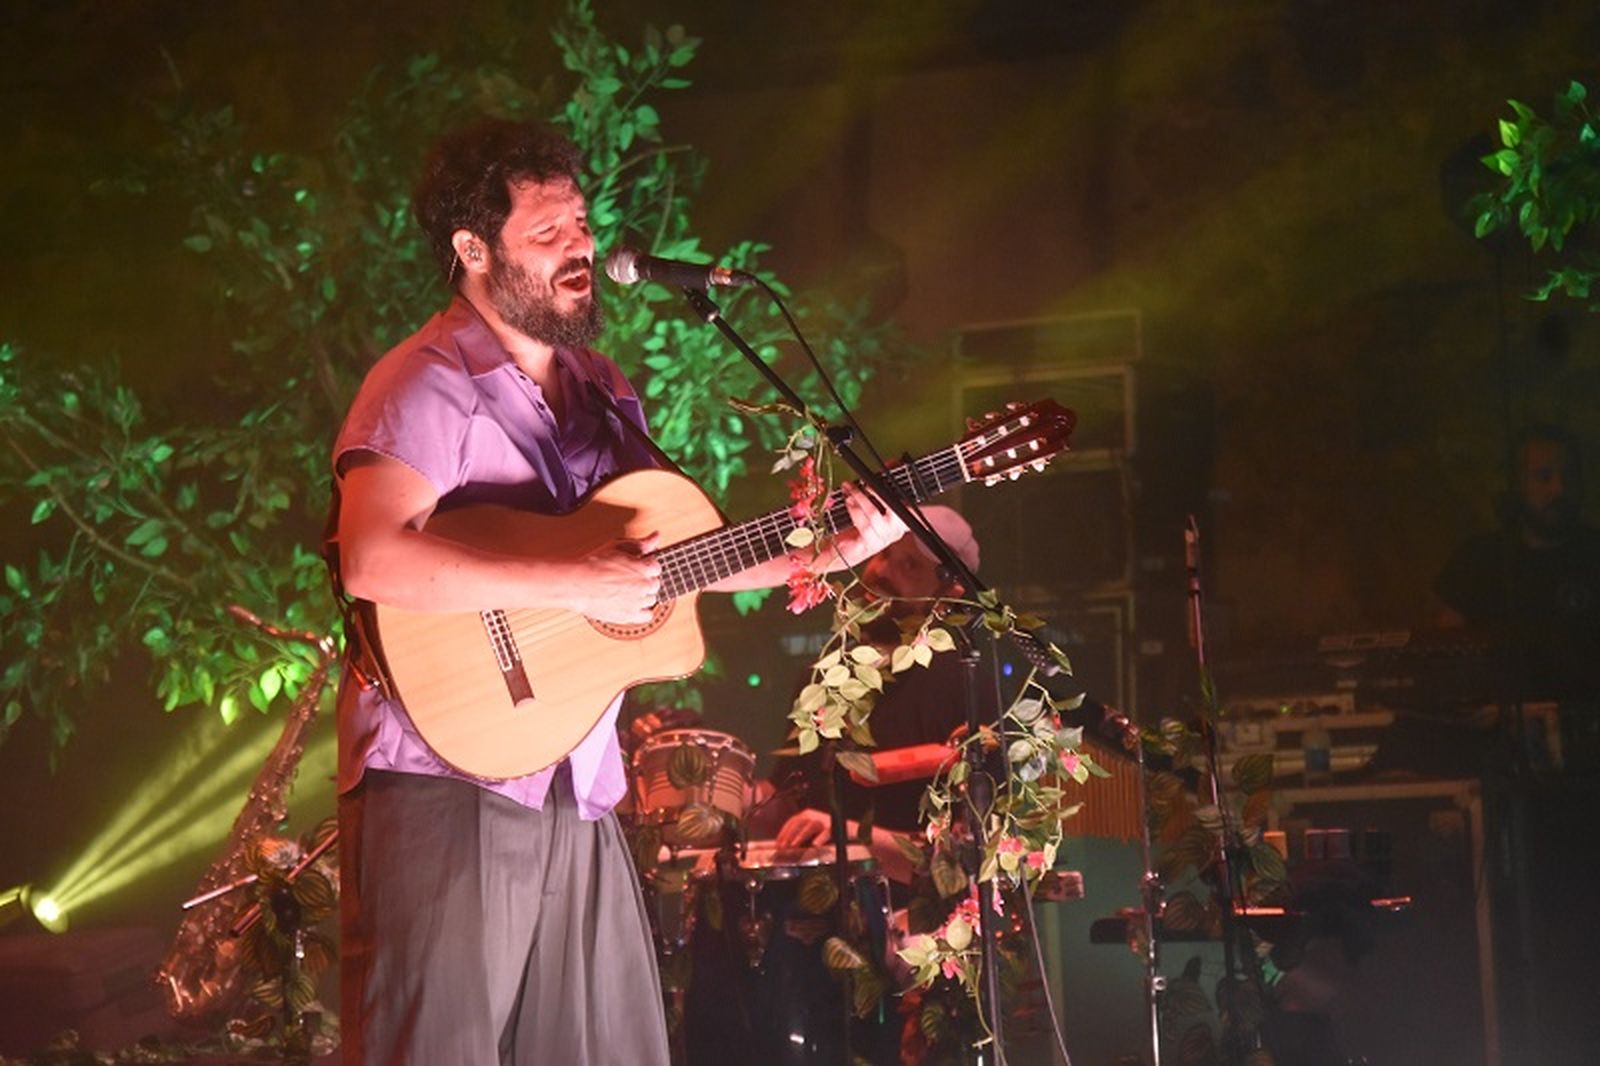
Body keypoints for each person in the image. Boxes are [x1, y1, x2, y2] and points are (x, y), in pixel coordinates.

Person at [327, 117, 903, 1065]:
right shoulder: (423, 383)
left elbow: (672, 557)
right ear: (474, 250)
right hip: (445, 770)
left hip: (573, 769)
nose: (582, 248)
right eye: (547, 233)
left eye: (583, 224)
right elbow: (374, 560)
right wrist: (568, 575)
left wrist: (827, 548)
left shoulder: (600, 386)